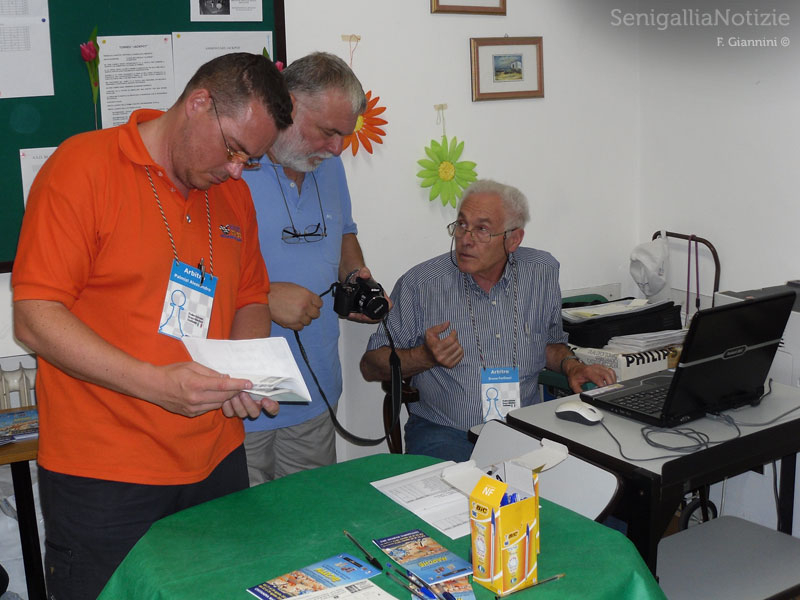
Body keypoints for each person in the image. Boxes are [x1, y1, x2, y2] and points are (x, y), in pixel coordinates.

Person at [11, 52, 292, 598]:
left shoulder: (231, 194)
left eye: (250, 160)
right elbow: (35, 318)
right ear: (198, 103)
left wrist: (243, 370)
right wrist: (158, 385)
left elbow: (251, 297)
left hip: (217, 462)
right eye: (234, 149)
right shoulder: (81, 168)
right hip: (105, 477)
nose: (237, 170)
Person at [360, 179, 617, 462]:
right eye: (461, 225)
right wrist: (425, 356)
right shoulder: (421, 284)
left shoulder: (541, 273)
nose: (466, 239)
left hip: (524, 428)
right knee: (461, 498)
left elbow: (549, 344)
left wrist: (572, 367)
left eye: (482, 229)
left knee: (583, 483)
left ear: (513, 239)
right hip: (446, 432)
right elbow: (371, 365)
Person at [243, 52, 386, 484]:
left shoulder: (330, 167)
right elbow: (184, 272)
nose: (337, 148)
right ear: (287, 104)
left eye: (344, 135)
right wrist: (264, 298)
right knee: (242, 538)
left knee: (306, 535)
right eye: (327, 132)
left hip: (313, 391)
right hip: (240, 401)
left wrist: (355, 275)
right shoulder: (230, 167)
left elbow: (342, 233)